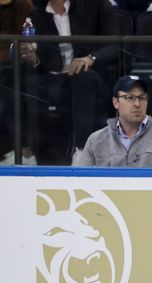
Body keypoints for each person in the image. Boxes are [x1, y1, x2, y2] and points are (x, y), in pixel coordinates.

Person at [27, 0, 122, 164]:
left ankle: (81, 150)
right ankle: (31, 153)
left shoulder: (96, 5)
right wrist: (33, 59)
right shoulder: (36, 15)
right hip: (54, 78)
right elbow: (41, 61)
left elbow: (115, 46)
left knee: (82, 77)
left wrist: (91, 58)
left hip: (92, 75)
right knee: (29, 84)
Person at [74, 75, 152, 167]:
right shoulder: (96, 140)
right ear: (115, 102)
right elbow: (82, 182)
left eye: (142, 98)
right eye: (129, 97)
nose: (137, 104)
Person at [0, 0, 35, 165]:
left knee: (11, 90)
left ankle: (23, 150)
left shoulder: (24, 5)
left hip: (14, 66)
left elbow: (24, 43)